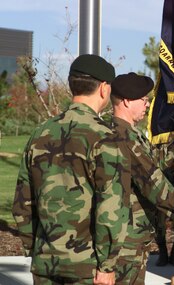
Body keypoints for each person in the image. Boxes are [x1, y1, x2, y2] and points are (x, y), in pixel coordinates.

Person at [12, 54, 128, 285]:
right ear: (104, 89)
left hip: (46, 263)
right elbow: (112, 207)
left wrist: (34, 249)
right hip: (88, 269)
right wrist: (107, 265)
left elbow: (23, 203)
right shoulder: (106, 139)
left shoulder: (40, 134)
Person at [109, 72, 174, 284]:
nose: (148, 105)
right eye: (143, 100)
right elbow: (155, 183)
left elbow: (157, 166)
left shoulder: (112, 131)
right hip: (124, 239)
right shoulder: (126, 137)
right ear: (127, 102)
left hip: (121, 235)